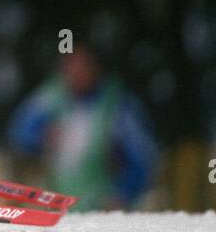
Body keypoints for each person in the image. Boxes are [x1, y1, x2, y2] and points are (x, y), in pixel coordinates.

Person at [8, 47, 157, 210]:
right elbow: (18, 132)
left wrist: (123, 195)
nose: (75, 74)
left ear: (96, 69)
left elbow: (143, 158)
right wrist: (41, 136)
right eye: (70, 68)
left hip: (101, 201)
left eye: (82, 68)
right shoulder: (52, 95)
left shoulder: (118, 105)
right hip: (56, 197)